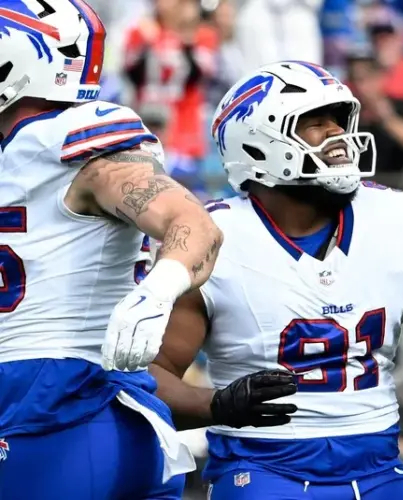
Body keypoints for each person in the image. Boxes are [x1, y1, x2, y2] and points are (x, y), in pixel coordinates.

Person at [149, 61, 403, 500]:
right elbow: (149, 374)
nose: (338, 134)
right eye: (315, 123)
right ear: (257, 145)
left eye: (338, 120)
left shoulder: (397, 218)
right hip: (263, 464)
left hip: (378, 464)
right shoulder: (213, 237)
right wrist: (217, 404)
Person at [0, 1, 223, 498]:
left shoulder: (64, 141)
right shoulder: (16, 153)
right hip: (67, 409)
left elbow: (193, 223)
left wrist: (159, 289)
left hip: (57, 400)